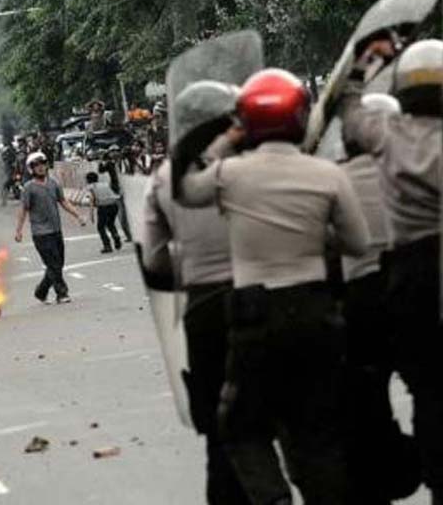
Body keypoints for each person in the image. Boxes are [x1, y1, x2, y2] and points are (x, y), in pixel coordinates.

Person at [178, 69, 370, 504]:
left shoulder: (231, 173)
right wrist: (317, 235)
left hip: (254, 314)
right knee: (315, 427)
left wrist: (227, 139)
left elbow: (187, 188)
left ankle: (273, 498)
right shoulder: (326, 174)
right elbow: (357, 243)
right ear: (300, 115)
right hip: (316, 309)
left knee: (241, 425)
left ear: (246, 122)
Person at [337, 38, 443, 504]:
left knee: (430, 389)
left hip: (413, 273)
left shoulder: (387, 134)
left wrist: (364, 61)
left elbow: (346, 105)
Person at [142, 80, 251, 504]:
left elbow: (154, 260)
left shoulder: (166, 177)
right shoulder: (256, 162)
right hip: (270, 297)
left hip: (205, 309)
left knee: (220, 434)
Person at [14, 152, 86, 304]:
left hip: (56, 230)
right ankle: (62, 293)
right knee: (53, 264)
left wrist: (78, 215)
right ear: (31, 169)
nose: (40, 168)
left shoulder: (54, 183)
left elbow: (63, 201)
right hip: (41, 233)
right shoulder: (28, 188)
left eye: (43, 164)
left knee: (57, 263)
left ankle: (41, 291)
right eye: (36, 165)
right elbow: (23, 209)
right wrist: (19, 230)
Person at [97, 147, 133, 242]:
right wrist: (101, 159)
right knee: (122, 215)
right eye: (112, 152)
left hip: (129, 188)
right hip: (117, 190)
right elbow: (100, 170)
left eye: (116, 151)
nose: (115, 153)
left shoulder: (126, 161)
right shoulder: (110, 164)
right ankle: (129, 235)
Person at [86, 171, 122, 253]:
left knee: (100, 227)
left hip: (103, 207)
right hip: (114, 205)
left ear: (88, 180)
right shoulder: (104, 184)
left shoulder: (91, 187)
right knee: (110, 223)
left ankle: (107, 246)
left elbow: (91, 200)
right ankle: (116, 236)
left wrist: (91, 215)